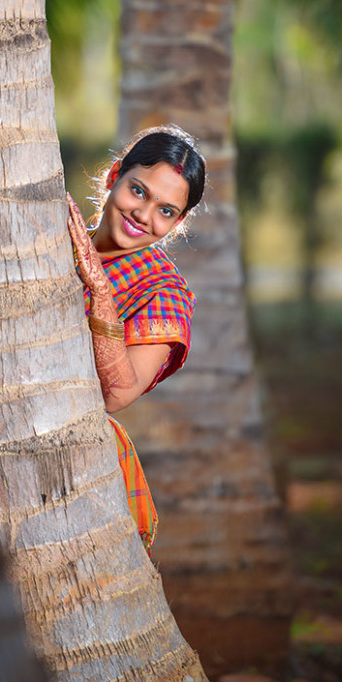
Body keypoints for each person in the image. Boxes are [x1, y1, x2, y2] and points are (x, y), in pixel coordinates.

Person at [67, 125, 206, 555]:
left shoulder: (165, 290)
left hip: (74, 466)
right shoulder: (60, 241)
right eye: (139, 192)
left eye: (166, 211)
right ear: (113, 177)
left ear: (178, 224)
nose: (144, 215)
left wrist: (101, 290)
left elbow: (119, 393)